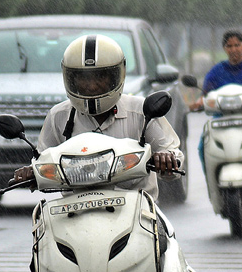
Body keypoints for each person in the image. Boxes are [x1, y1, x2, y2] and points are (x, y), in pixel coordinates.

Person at [12, 34, 183, 201]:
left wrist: (166, 159)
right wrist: (31, 172)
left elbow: (173, 154)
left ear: (117, 75)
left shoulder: (141, 111)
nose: (91, 85)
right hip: (74, 209)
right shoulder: (58, 116)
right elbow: (43, 161)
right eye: (83, 78)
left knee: (164, 230)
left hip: (136, 208)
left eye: (100, 76)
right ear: (71, 79)